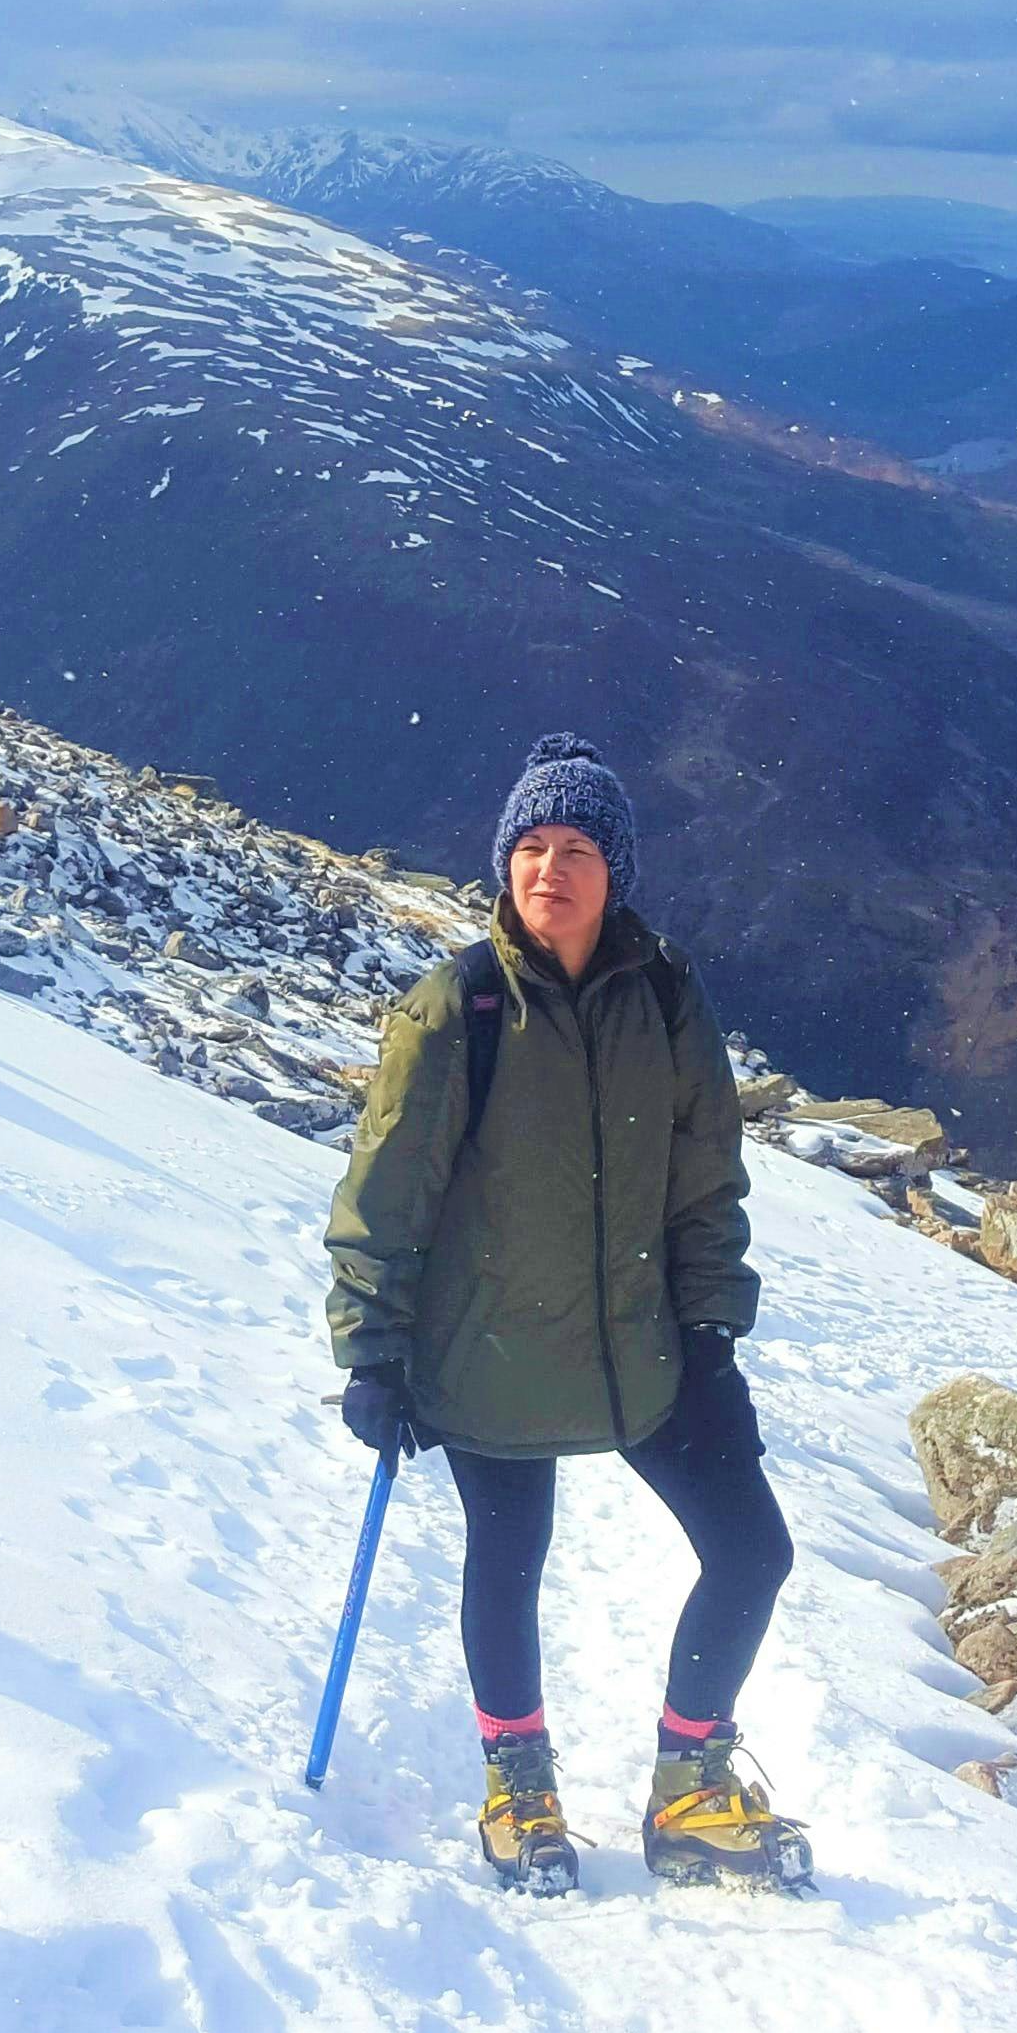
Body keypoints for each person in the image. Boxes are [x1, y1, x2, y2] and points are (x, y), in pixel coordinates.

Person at [321, 733, 808, 1895]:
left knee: (751, 1552)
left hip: (645, 1347)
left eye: (578, 846)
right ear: (503, 864)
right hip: (488, 1347)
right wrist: (371, 1351)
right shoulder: (459, 1010)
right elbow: (385, 1194)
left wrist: (710, 1330)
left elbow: (705, 1183)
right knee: (508, 1558)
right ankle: (518, 1784)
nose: (550, 868)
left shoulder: (666, 1001)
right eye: (530, 847)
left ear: (614, 869)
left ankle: (689, 1785)